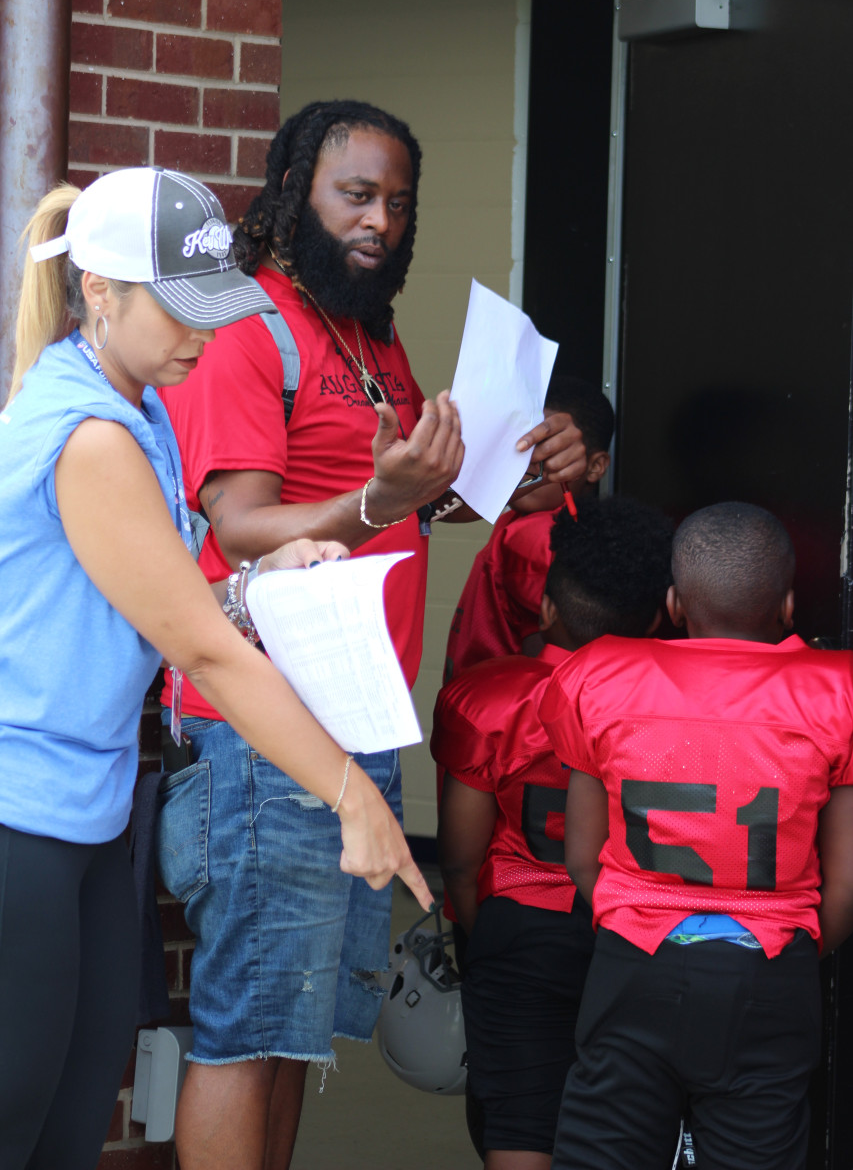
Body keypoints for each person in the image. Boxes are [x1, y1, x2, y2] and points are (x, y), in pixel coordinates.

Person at [158, 99, 590, 1170]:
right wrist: (383, 498)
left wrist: (505, 487)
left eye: (398, 203)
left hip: (353, 723)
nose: (380, 222)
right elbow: (242, 521)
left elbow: (387, 493)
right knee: (246, 1028)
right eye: (356, 195)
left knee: (298, 1032)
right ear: (294, 192)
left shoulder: (370, 334)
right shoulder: (248, 328)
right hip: (262, 731)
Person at [0, 167, 430, 1170]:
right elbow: (199, 649)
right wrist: (350, 792)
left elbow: (155, 609)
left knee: (68, 1112)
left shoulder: (138, 401)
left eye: (214, 304)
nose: (201, 333)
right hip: (23, 814)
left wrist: (260, 574)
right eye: (177, 308)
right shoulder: (94, 430)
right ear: (97, 288)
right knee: (20, 1111)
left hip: (92, 811)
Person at [540, 501, 853, 1170]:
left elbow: (581, 856)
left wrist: (635, 920)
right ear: (788, 605)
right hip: (770, 965)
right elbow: (845, 884)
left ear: (675, 603)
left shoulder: (597, 675)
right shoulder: (837, 690)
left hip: (633, 958)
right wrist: (791, 947)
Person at [431, 498, 673, 1170]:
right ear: (658, 616)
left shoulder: (486, 695)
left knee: (518, 1120)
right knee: (631, 1123)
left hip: (521, 922)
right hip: (638, 928)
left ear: (544, 610)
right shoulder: (672, 701)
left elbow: (457, 857)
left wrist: (489, 941)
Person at [442, 375, 614, 683]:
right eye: (519, 445)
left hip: (508, 716)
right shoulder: (517, 521)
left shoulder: (542, 536)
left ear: (595, 465)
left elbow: (548, 670)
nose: (528, 461)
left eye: (546, 448)